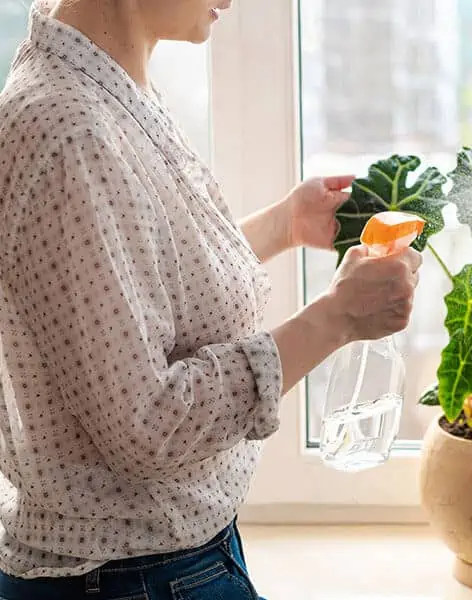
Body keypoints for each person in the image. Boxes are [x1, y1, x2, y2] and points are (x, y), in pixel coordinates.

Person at [0, 0, 421, 598]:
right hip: (130, 579)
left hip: (160, 565)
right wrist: (337, 318)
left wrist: (284, 225)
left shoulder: (104, 83)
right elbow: (146, 424)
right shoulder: (70, 132)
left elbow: (133, 296)